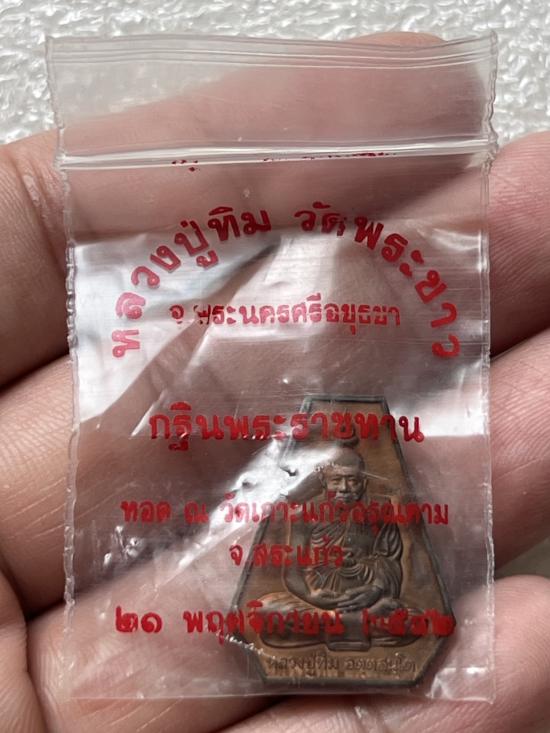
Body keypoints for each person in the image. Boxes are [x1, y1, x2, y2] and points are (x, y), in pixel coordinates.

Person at [1, 30, 550, 733]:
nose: (344, 491)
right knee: (280, 606)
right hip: (304, 602)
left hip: (365, 601)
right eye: (339, 483)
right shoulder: (302, 508)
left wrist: (371, 564)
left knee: (382, 593)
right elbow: (296, 578)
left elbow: (385, 572)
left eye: (349, 484)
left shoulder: (375, 506)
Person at [258, 444, 418, 650]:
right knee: (264, 611)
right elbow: (292, 573)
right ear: (324, 481)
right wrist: (311, 596)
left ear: (364, 483)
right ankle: (355, 625)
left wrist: (375, 589)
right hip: (320, 605)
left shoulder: (381, 510)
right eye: (336, 480)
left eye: (352, 480)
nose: (344, 488)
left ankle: (329, 628)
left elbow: (391, 560)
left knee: (415, 622)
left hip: (369, 600)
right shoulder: (304, 514)